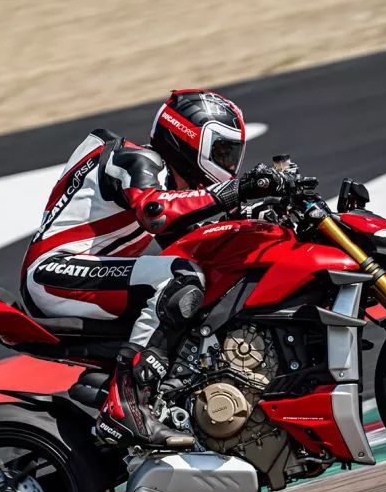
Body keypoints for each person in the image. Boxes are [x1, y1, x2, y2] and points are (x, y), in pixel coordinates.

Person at [20, 89, 290, 449]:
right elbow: (156, 212)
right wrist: (238, 189)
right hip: (55, 272)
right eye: (222, 152)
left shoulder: (167, 185)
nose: (228, 164)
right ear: (189, 138)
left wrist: (262, 215)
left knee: (200, 283)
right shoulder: (136, 160)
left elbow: (196, 236)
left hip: (84, 275)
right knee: (180, 277)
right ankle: (128, 403)